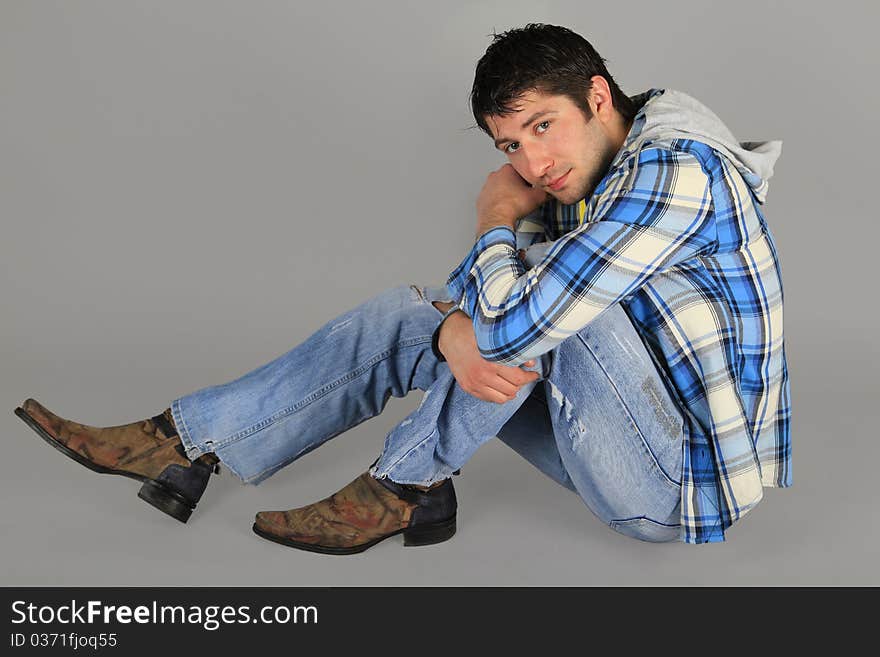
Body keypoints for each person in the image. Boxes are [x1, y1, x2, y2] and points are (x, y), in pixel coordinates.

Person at [15, 23, 791, 553]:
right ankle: (184, 442)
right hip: (618, 426)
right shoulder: (591, 164)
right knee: (420, 313)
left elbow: (521, 323)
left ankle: (407, 482)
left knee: (539, 314)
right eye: (511, 146)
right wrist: (449, 329)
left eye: (543, 127)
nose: (532, 164)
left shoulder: (674, 171)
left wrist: (493, 218)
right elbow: (479, 303)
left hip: (678, 483)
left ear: (597, 96)